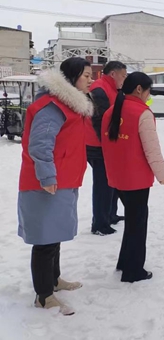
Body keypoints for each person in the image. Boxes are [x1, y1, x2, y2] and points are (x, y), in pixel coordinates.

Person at [18, 57, 94, 315]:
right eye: (86, 75)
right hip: (45, 184)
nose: (90, 80)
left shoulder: (70, 105)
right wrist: (47, 177)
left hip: (64, 181)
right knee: (45, 241)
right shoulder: (53, 106)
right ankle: (43, 295)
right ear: (72, 78)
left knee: (55, 234)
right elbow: (40, 144)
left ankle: (54, 279)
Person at [101, 72, 164, 283]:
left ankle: (124, 262)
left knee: (132, 220)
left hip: (116, 176)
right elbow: (152, 150)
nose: (148, 96)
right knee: (138, 224)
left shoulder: (110, 112)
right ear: (139, 89)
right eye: (148, 91)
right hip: (136, 179)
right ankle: (133, 271)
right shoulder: (142, 114)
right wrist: (162, 175)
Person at [86, 61, 128, 236]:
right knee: (103, 184)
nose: (124, 79)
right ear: (113, 74)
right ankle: (99, 224)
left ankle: (110, 214)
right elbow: (99, 121)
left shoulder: (112, 89)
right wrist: (108, 144)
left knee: (112, 181)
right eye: (123, 76)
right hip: (97, 145)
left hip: (108, 144)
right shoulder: (99, 89)